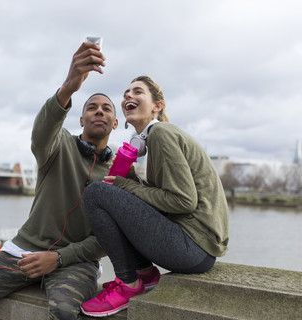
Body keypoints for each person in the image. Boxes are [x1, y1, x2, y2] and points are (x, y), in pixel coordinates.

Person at [0, 42, 118, 320]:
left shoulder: (120, 171)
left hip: (75, 262)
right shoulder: (57, 146)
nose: (99, 111)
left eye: (107, 109)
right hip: (21, 251)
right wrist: (68, 87)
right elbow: (43, 131)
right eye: (92, 107)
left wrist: (59, 258)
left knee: (65, 313)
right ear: (80, 118)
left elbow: (108, 239)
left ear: (116, 123)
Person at [80, 76, 229, 317]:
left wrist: (125, 187)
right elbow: (159, 199)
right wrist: (131, 179)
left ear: (157, 106)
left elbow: (183, 201)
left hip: (193, 247)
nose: (128, 95)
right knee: (111, 192)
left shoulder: (161, 134)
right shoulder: (149, 144)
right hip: (197, 248)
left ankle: (128, 285)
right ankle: (145, 275)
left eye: (137, 92)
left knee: (96, 193)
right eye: (126, 92)